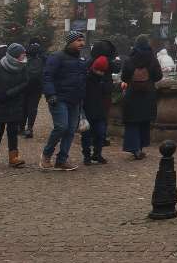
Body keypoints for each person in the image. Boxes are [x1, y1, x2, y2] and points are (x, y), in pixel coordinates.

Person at [41, 30, 88, 171]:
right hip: (59, 98)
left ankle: (62, 159)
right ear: (70, 42)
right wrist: (50, 94)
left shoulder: (81, 59)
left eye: (82, 40)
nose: (82, 43)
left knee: (70, 130)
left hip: (75, 100)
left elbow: (82, 78)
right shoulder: (57, 57)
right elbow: (47, 76)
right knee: (61, 127)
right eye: (78, 40)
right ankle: (46, 155)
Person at [120, 36, 163, 160]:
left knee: (132, 122)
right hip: (148, 94)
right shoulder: (153, 59)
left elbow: (124, 77)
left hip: (132, 94)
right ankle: (141, 147)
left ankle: (134, 148)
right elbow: (158, 76)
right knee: (144, 121)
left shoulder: (129, 59)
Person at [81, 55, 111, 164]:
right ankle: (87, 155)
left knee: (100, 133)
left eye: (102, 71)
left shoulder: (103, 79)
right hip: (88, 110)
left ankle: (97, 154)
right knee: (87, 136)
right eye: (98, 70)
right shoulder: (86, 78)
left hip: (100, 110)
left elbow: (107, 91)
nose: (100, 73)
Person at [89, 38, 119, 147]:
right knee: (103, 116)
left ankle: (92, 136)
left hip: (92, 91)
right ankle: (101, 137)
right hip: (105, 91)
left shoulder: (91, 60)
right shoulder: (108, 61)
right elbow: (116, 68)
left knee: (92, 115)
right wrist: (117, 60)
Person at [21, 41, 45, 138]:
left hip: (24, 87)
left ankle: (21, 127)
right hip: (37, 88)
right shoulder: (42, 61)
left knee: (23, 107)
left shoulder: (23, 61)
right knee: (33, 108)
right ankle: (30, 128)